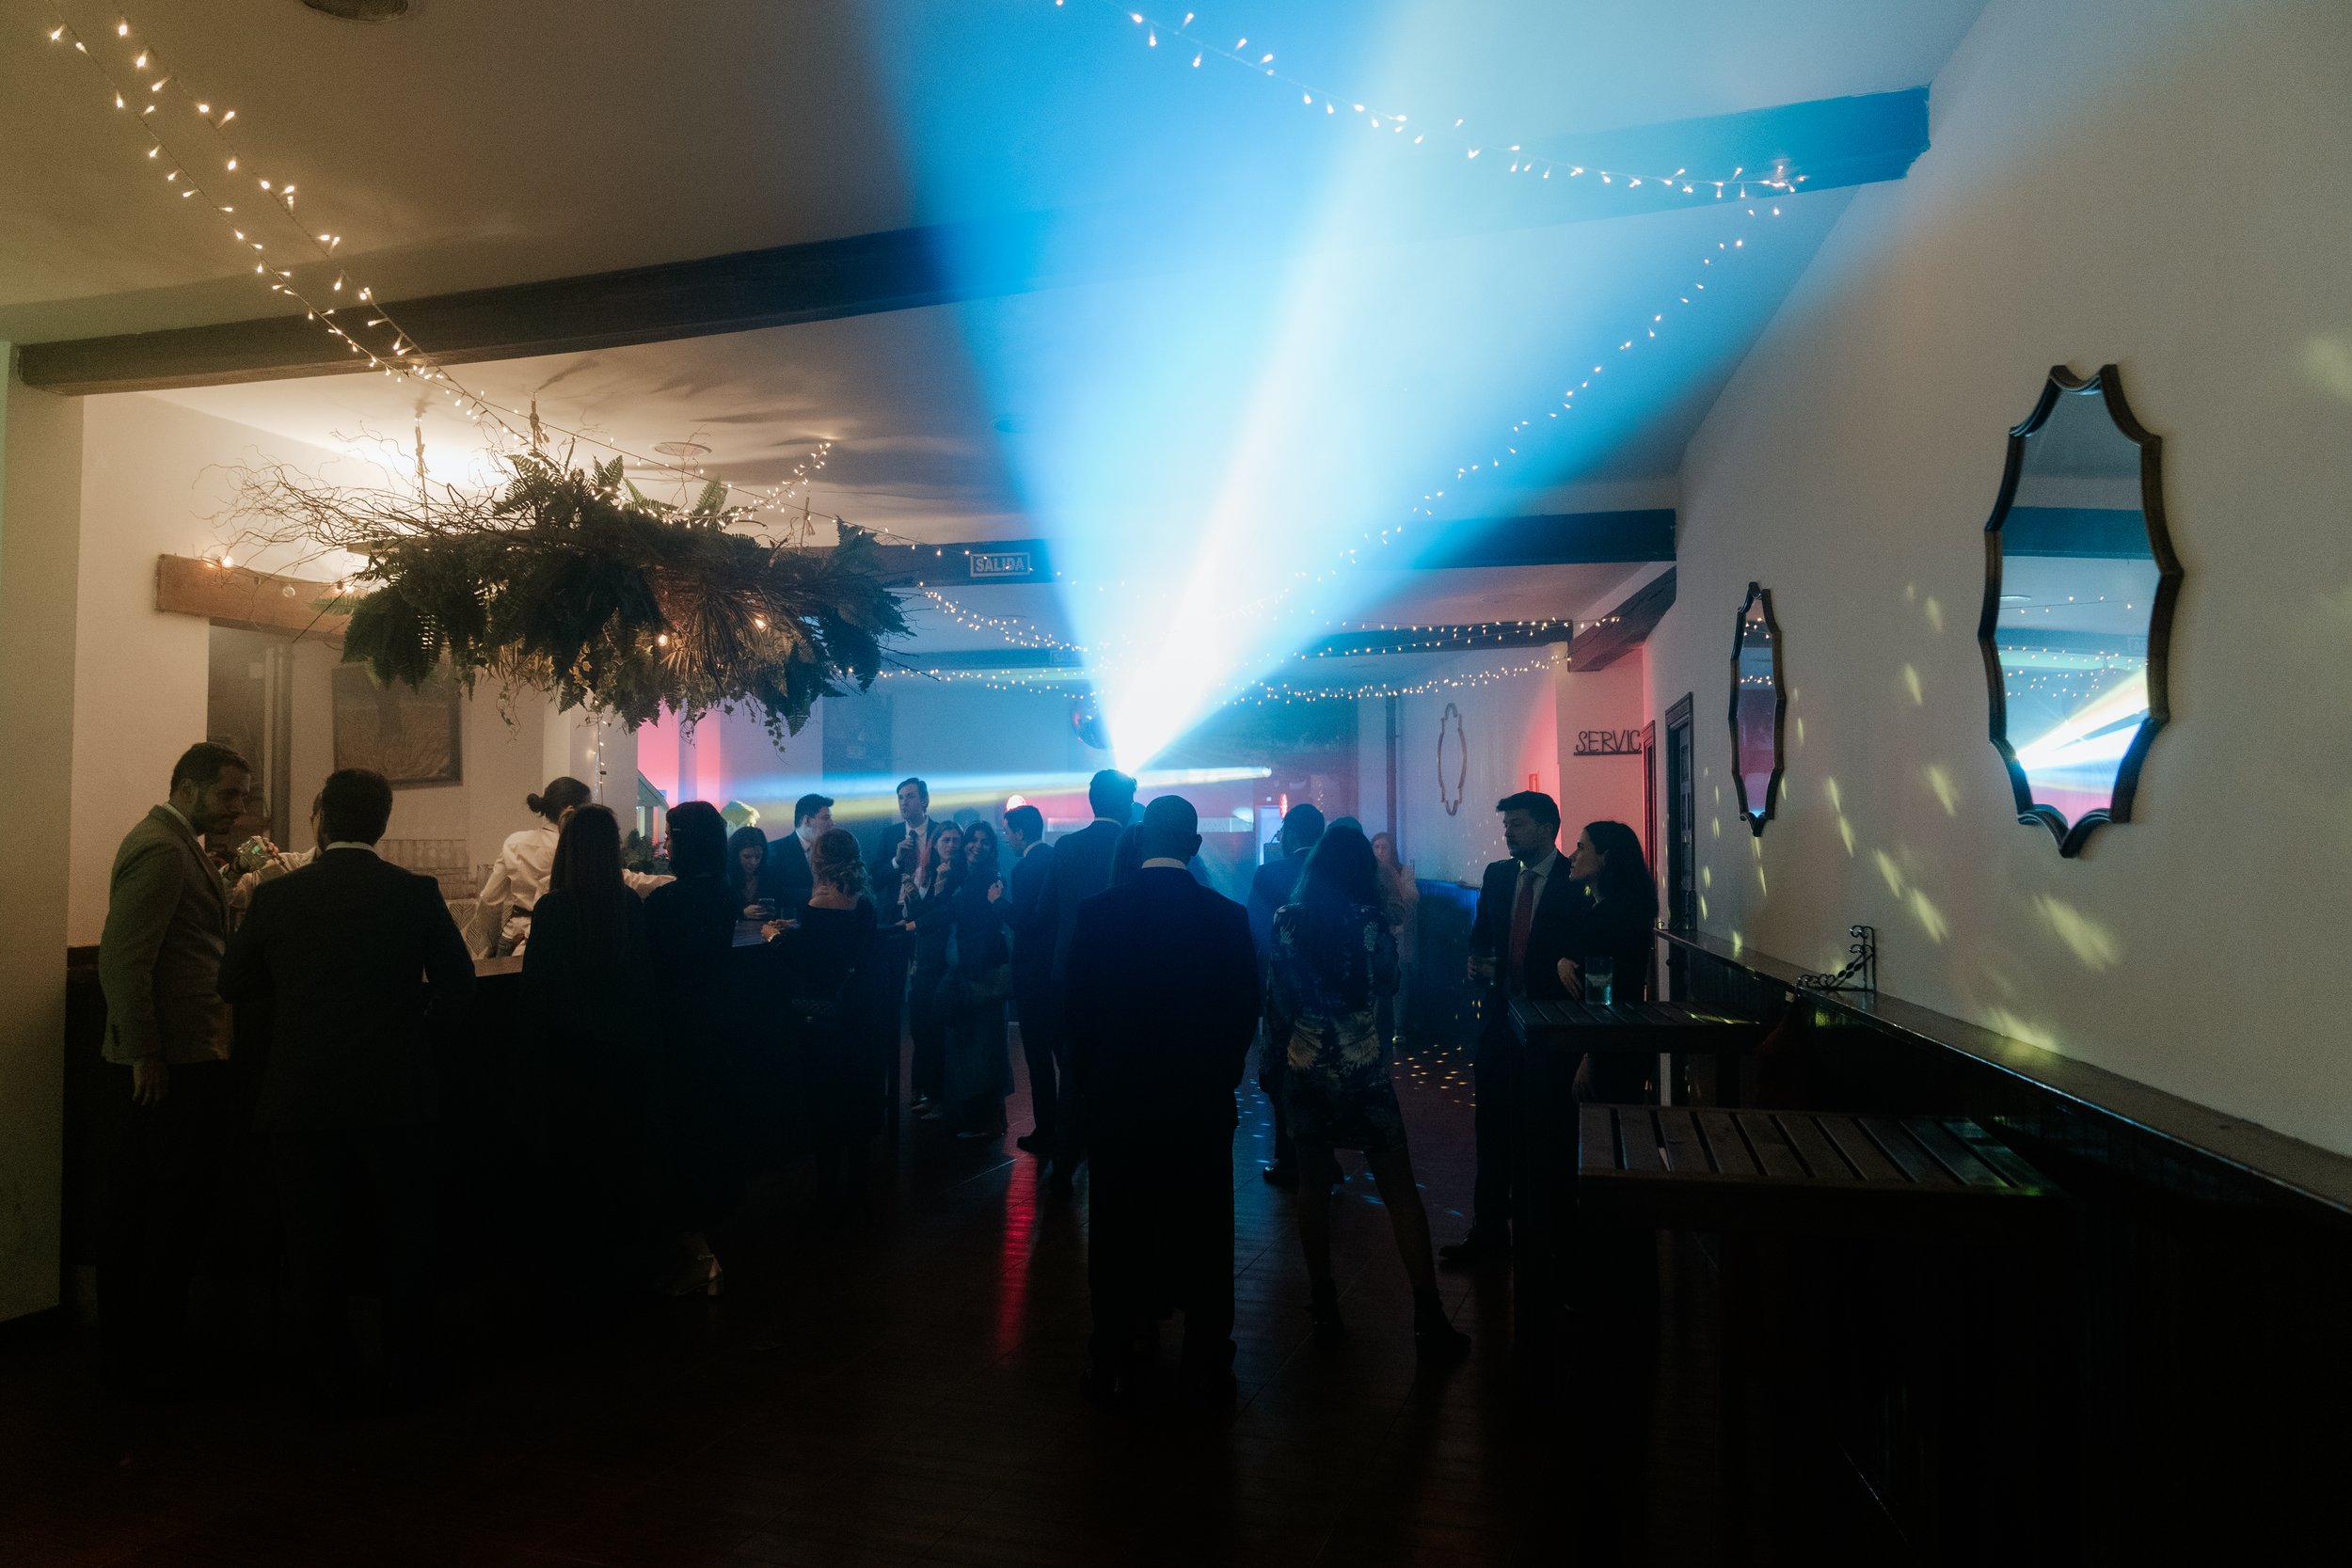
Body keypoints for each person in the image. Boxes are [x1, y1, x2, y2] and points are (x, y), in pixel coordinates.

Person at [217, 768, 475, 1410]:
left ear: (320, 819)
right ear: (383, 824)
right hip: (396, 1093)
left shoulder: (279, 898)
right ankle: (408, 1369)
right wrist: (413, 1017)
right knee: (404, 1237)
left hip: (302, 1095)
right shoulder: (415, 892)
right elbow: (459, 985)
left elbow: (231, 983)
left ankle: (329, 1376)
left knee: (313, 1244)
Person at [1065, 796, 1261, 1405]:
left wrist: (1092, 1087)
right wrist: (1221, 1077)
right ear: (1194, 846)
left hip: (1118, 1104)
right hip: (1198, 1106)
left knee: (1117, 1233)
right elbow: (1244, 1009)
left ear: (1140, 838)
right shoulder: (1226, 917)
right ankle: (1207, 1361)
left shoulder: (1098, 913)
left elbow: (1075, 1017)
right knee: (1205, 1234)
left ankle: (1113, 1353)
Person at [1266, 823, 1468, 1356]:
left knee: (1312, 1187)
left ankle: (1325, 1303)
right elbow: (1387, 984)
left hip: (1306, 1065)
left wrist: (1272, 1064)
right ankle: (1428, 1315)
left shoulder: (1289, 920)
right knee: (1399, 1190)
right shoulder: (1373, 922)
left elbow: (1278, 999)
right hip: (1362, 1068)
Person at [96, 741, 251, 1402]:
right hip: (172, 1063)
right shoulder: (162, 848)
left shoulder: (174, 841)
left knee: (163, 1210)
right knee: (162, 1212)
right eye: (228, 795)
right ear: (187, 788)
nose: (238, 810)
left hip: (182, 1055)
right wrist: (145, 1051)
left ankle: (145, 1349)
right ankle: (145, 1353)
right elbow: (123, 959)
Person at [522, 804, 662, 1306]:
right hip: (625, 1060)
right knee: (620, 1169)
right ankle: (623, 1273)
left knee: (576, 1174)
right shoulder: (629, 905)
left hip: (571, 1064)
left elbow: (537, 992)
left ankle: (577, 1282)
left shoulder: (556, 910)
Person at [1445, 790, 1582, 1267]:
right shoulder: (1499, 875)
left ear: (1548, 829)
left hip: (1552, 1027)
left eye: (1518, 824)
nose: (1508, 833)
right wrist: (1476, 960)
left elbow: (1582, 949)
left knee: (1548, 1132)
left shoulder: (1574, 879)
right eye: (1507, 825)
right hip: (1502, 1018)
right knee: (1492, 1128)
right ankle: (1489, 1232)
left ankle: (1547, 1237)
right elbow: (1483, 933)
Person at [642, 802, 741, 1297]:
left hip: (675, 1031)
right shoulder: (723, 896)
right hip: (715, 1025)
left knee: (678, 1139)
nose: (665, 845)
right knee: (706, 1132)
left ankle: (696, 1253)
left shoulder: (666, 904)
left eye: (671, 837)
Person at [771, 828, 882, 1212]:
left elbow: (806, 964)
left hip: (823, 1022)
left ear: (819, 860)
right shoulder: (866, 903)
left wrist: (775, 938)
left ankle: (827, 1185)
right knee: (856, 1100)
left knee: (824, 1102)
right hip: (862, 1015)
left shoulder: (816, 906)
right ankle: (861, 1181)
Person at [1038, 769, 1136, 1189]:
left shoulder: (1066, 847)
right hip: (1119, 977)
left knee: (1073, 1071)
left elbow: (1045, 912)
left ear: (1092, 800)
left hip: (1067, 972)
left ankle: (1063, 1164)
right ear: (1128, 804)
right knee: (1121, 1070)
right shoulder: (1132, 847)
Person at [1555, 820, 1661, 1103]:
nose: (1572, 856)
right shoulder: (1606, 909)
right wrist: (1563, 962)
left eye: (1581, 847)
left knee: (1605, 1135)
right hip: (1620, 1040)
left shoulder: (1613, 918)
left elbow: (1606, 994)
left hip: (1613, 1045)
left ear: (1606, 857)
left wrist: (1591, 1056)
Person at [1248, 802, 1323, 1187]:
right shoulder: (1337, 873)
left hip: (1282, 990)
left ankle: (1290, 1156)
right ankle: (1323, 1155)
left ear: (1289, 835)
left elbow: (1257, 934)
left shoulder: (1269, 873)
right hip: (1330, 995)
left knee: (1281, 1073)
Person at [942, 822, 1013, 1140]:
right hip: (970, 968)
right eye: (973, 840)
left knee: (982, 1046)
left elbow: (982, 927)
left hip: (981, 971)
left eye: (984, 842)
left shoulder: (989, 879)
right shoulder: (963, 876)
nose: (977, 846)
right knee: (976, 1044)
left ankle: (986, 1121)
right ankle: (984, 1118)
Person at [475, 777, 590, 956]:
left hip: (511, 938)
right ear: (571, 810)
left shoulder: (515, 842)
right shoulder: (573, 848)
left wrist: (492, 943)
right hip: (553, 940)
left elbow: (489, 899)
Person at [1002, 804, 1058, 1158]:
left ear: (1021, 833)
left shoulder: (1024, 868)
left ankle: (1046, 1130)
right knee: (1063, 1053)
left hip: (1032, 975)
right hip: (1056, 971)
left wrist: (997, 903)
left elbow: (1024, 921)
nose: (1006, 837)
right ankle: (1071, 1127)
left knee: (1037, 1058)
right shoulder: (1055, 859)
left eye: (1008, 831)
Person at [905, 821, 966, 1117]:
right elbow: (918, 914)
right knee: (920, 1026)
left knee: (936, 1028)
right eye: (946, 839)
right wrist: (911, 894)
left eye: (956, 840)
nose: (952, 845)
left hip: (945, 959)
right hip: (924, 958)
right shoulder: (926, 872)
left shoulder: (961, 875)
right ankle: (922, 1090)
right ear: (935, 843)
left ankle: (938, 1095)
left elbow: (941, 916)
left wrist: (941, 889)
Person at [1371, 831, 1419, 1049]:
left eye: (1384, 847)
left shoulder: (1403, 871)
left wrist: (1392, 883)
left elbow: (1412, 897)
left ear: (1392, 850)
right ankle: (1371, 1027)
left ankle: (1399, 1027)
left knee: (1400, 982)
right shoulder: (1369, 872)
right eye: (1377, 847)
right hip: (1376, 936)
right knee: (1373, 983)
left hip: (1399, 935)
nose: (1380, 851)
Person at [870, 776, 943, 908]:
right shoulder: (890, 834)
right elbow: (874, 881)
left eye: (910, 796)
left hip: (929, 909)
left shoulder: (940, 832)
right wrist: (896, 861)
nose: (904, 802)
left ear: (924, 801)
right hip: (895, 910)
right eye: (901, 797)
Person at [762, 792, 833, 911]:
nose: (832, 823)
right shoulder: (775, 850)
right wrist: (811, 893)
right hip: (790, 922)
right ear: (807, 820)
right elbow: (771, 892)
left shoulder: (832, 851)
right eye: (826, 818)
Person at [726, 824, 773, 920]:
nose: (753, 862)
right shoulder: (725, 878)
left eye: (758, 856)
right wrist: (741, 914)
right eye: (747, 857)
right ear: (735, 855)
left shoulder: (769, 875)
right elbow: (716, 914)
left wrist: (772, 911)